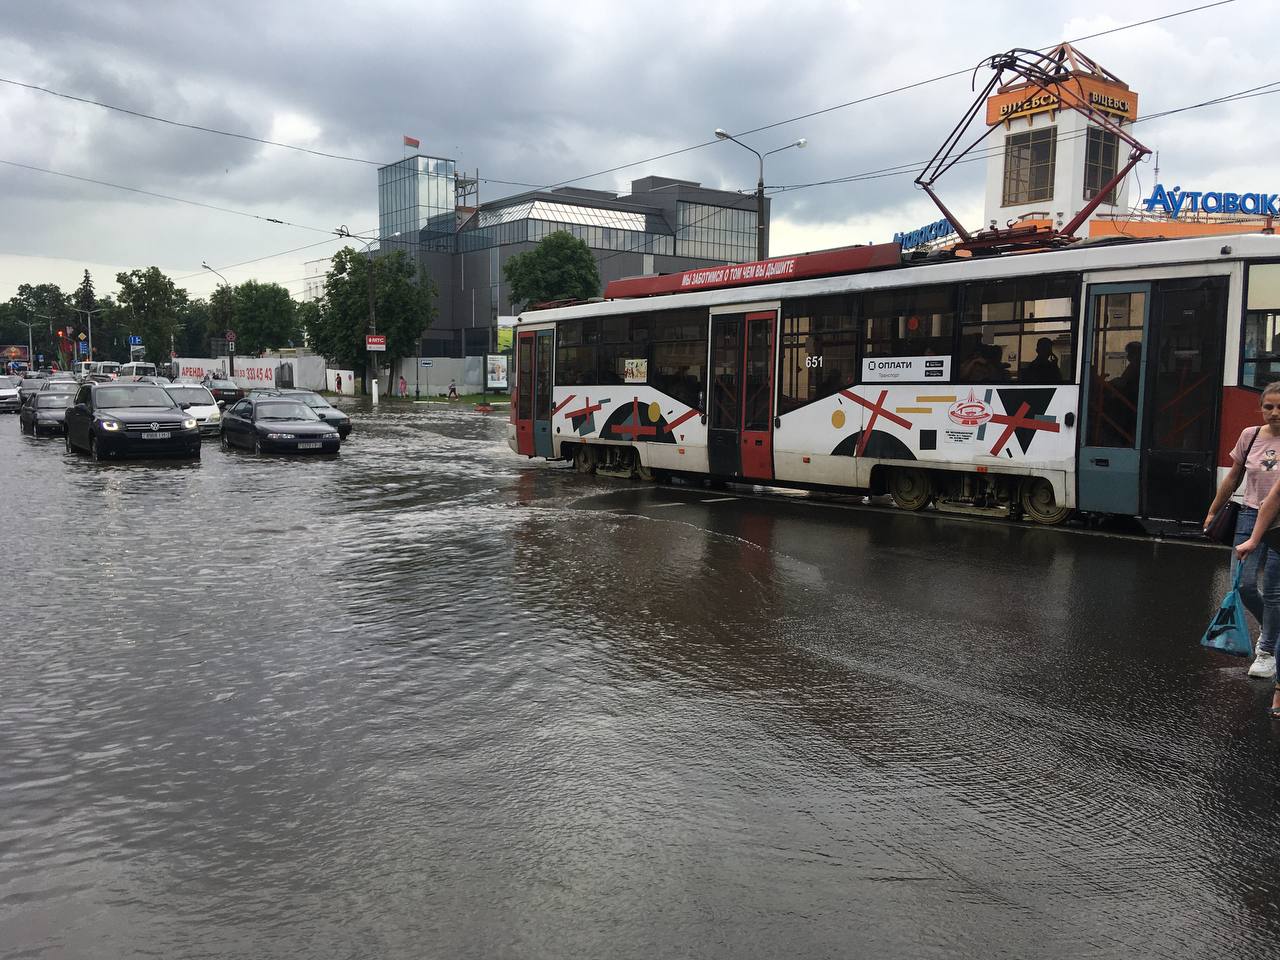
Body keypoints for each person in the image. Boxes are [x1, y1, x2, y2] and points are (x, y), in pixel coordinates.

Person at [1222, 383, 1280, 706]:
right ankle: (1274, 629)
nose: (1274, 413)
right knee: (1242, 585)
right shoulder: (1250, 436)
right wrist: (1214, 509)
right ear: (1260, 408)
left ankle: (1268, 647)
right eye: (1268, 407)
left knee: (1273, 590)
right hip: (1248, 514)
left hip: (1279, 523)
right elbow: (1233, 476)